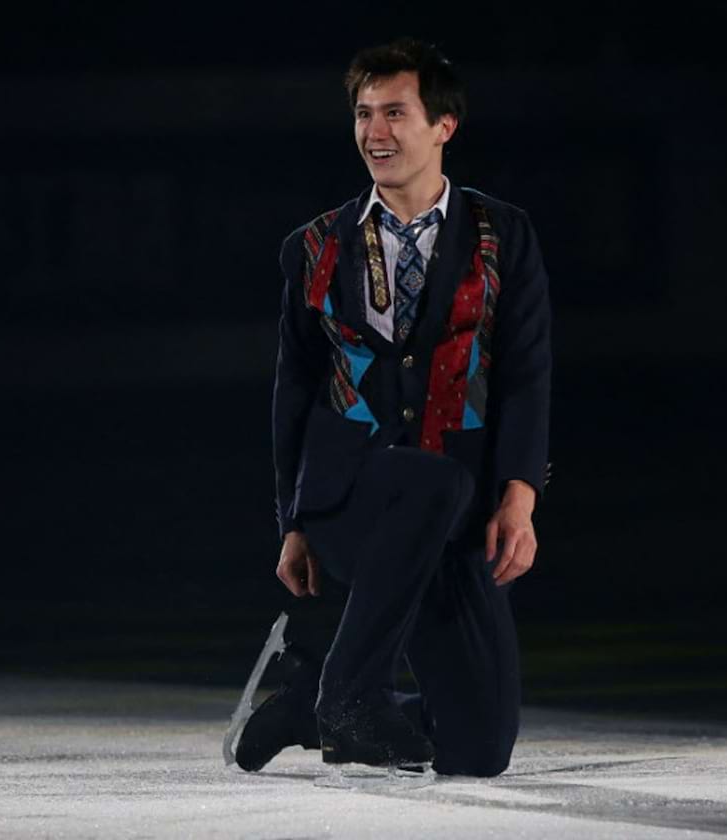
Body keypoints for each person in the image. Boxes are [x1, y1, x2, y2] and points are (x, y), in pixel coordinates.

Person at [233, 37, 552, 778]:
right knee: (426, 480)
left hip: (458, 513)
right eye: (363, 113)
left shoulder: (502, 236)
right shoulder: (312, 248)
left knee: (478, 750)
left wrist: (520, 495)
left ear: (443, 125)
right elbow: (296, 393)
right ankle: (349, 694)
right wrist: (293, 522)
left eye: (395, 113)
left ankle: (311, 696)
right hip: (356, 504)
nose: (375, 131)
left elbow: (526, 374)